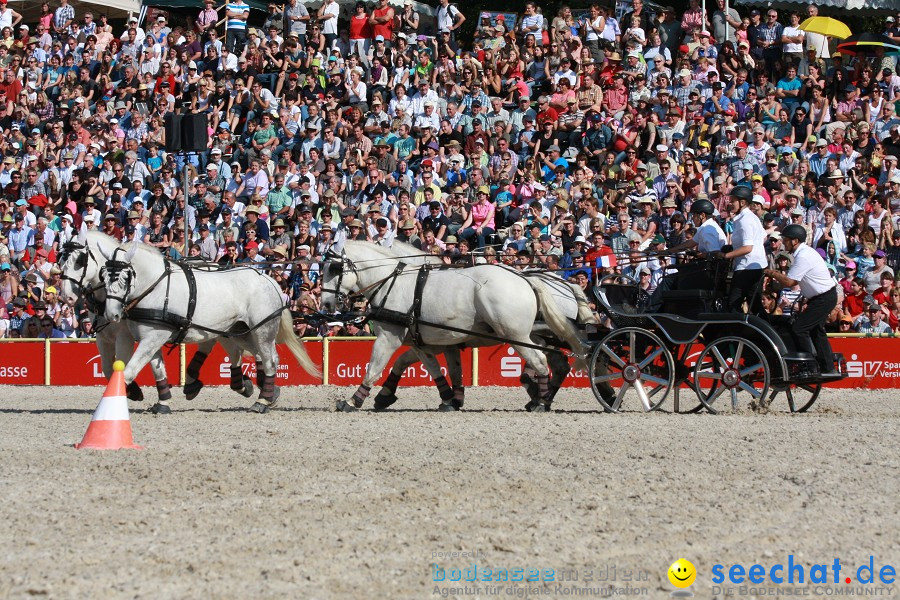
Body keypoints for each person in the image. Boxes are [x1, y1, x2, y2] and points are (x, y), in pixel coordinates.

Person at [764, 224, 838, 374]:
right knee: (817, 331)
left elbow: (790, 282)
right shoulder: (803, 253)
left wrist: (771, 272)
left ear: (795, 240)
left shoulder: (803, 255)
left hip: (824, 297)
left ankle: (810, 367)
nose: (784, 242)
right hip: (822, 297)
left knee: (799, 328)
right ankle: (827, 367)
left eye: (786, 239)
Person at [647, 199, 726, 312]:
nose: (692, 219)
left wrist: (700, 254)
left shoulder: (707, 230)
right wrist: (668, 251)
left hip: (707, 274)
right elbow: (689, 243)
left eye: (694, 215)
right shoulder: (707, 227)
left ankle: (647, 311)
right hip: (705, 271)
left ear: (702, 215)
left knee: (668, 280)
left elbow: (714, 254)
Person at [714, 186, 766, 312]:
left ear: (742, 203)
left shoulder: (745, 220)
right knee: (755, 305)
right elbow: (761, 237)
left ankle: (737, 331)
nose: (730, 203)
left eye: (733, 201)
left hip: (747, 268)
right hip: (755, 267)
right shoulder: (748, 218)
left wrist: (725, 255)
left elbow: (748, 248)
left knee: (733, 303)